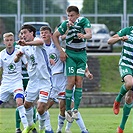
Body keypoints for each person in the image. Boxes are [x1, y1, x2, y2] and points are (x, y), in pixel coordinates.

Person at [53, 5, 92, 121]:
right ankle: (68, 111)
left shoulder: (84, 21)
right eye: (68, 16)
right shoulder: (66, 24)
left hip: (81, 55)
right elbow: (55, 36)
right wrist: (61, 51)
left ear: (78, 15)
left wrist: (83, 35)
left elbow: (89, 35)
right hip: (70, 54)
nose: (70, 18)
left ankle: (75, 109)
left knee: (79, 81)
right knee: (70, 82)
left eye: (72, 16)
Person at [14, 24, 53, 133]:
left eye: (25, 33)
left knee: (40, 108)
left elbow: (40, 42)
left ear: (32, 33)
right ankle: (30, 125)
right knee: (26, 104)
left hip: (45, 80)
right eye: (22, 33)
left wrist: (25, 43)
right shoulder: (23, 46)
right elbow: (16, 60)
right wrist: (18, 55)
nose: (23, 35)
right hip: (33, 81)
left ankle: (43, 127)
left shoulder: (37, 41)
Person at [0, 32, 28, 133]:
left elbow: (27, 64)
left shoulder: (19, 52)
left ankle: (26, 127)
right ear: (4, 42)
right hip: (6, 83)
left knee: (20, 101)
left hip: (17, 82)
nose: (9, 42)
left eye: (11, 40)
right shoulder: (1, 54)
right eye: (7, 40)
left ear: (13, 41)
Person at [108, 26, 133, 133]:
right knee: (129, 83)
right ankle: (118, 99)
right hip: (125, 64)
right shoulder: (128, 30)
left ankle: (121, 128)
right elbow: (110, 41)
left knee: (129, 98)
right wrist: (121, 38)